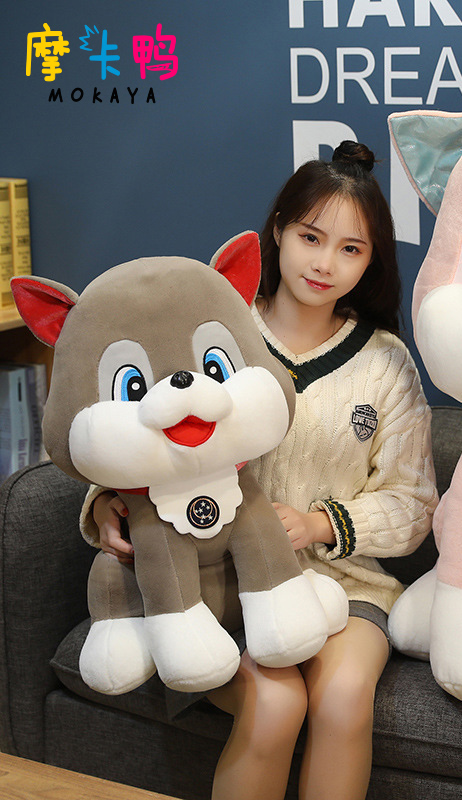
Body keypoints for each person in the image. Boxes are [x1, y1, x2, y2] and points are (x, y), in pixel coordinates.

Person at [83, 141, 438, 800]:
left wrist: (320, 524)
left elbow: (414, 503)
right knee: (276, 703)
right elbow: (143, 429)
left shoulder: (385, 362)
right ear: (277, 231)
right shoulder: (216, 333)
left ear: (372, 260)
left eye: (351, 249)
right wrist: (106, 504)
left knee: (342, 698)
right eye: (310, 237)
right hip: (212, 577)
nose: (324, 263)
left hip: (344, 585)